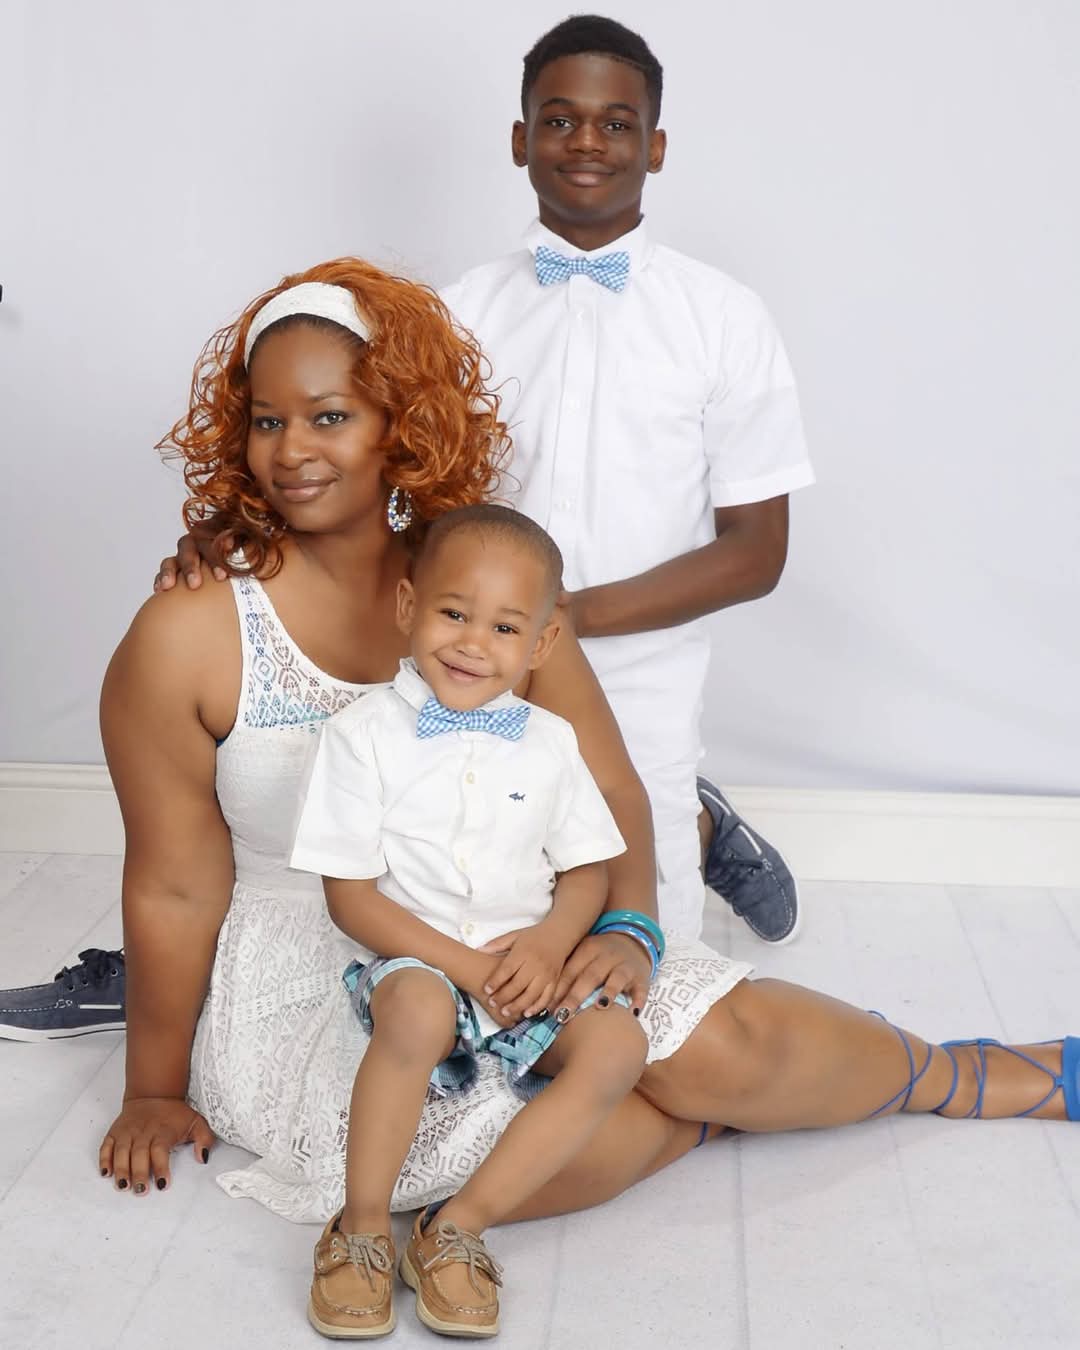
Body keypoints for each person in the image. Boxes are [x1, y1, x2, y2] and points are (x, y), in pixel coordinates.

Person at [438, 15, 815, 946]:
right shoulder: (457, 315)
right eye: (560, 119)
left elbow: (756, 550)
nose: (587, 142)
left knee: (651, 949)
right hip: (476, 663)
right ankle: (696, 816)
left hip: (642, 667)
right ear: (522, 139)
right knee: (479, 901)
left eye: (615, 123)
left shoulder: (723, 318)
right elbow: (403, 493)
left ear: (654, 145)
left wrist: (575, 619)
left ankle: (682, 815)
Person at [294, 504, 648, 1338]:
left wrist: (554, 940)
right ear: (408, 607)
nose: (471, 643)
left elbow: (587, 869)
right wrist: (463, 965)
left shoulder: (552, 743)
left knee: (618, 1044)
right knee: (415, 1010)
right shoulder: (361, 737)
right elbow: (351, 898)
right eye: (453, 613)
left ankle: (456, 1228)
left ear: (542, 646)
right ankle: (361, 1231)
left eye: (504, 626)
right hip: (415, 954)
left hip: (521, 967)